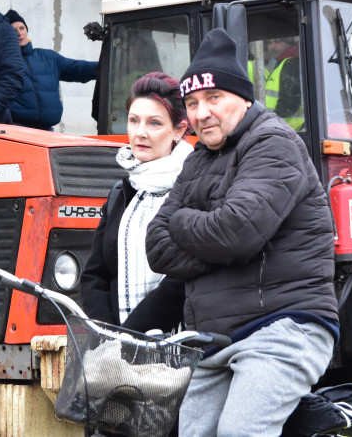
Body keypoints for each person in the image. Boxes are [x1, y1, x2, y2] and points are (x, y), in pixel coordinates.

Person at [145, 28, 338, 437]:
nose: (201, 113)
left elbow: (234, 233)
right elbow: (157, 248)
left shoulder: (273, 143)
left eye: (214, 98)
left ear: (244, 98)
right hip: (217, 338)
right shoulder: (198, 159)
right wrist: (221, 238)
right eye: (193, 103)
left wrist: (185, 223)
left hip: (282, 325)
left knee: (240, 432)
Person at [80, 72, 191, 333]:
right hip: (119, 349)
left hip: (179, 348)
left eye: (154, 123)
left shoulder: (192, 189)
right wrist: (109, 334)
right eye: (134, 121)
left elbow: (184, 280)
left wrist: (133, 333)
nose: (140, 132)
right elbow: (95, 275)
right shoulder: (121, 192)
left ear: (179, 130)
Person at [4, 9, 97, 130]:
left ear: (27, 30)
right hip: (19, 131)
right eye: (13, 30)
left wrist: (107, 65)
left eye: (22, 28)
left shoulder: (48, 57)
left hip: (48, 131)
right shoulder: (4, 61)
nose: (19, 33)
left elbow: (78, 68)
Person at [248, 35, 303, 129]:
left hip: (284, 129)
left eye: (277, 42)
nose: (272, 47)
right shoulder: (284, 62)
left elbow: (289, 103)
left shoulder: (290, 63)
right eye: (269, 43)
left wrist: (269, 122)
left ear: (289, 43)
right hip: (283, 128)